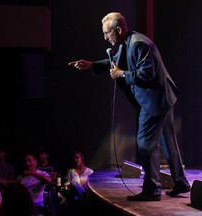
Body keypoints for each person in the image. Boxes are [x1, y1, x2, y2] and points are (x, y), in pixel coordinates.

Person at [68, 12, 190, 201]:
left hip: (155, 101)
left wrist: (122, 74)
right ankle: (180, 183)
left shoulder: (139, 44)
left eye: (107, 33)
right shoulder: (127, 43)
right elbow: (115, 63)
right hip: (162, 98)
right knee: (168, 143)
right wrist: (91, 65)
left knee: (145, 144)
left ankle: (152, 189)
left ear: (118, 29)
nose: (105, 37)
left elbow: (146, 74)